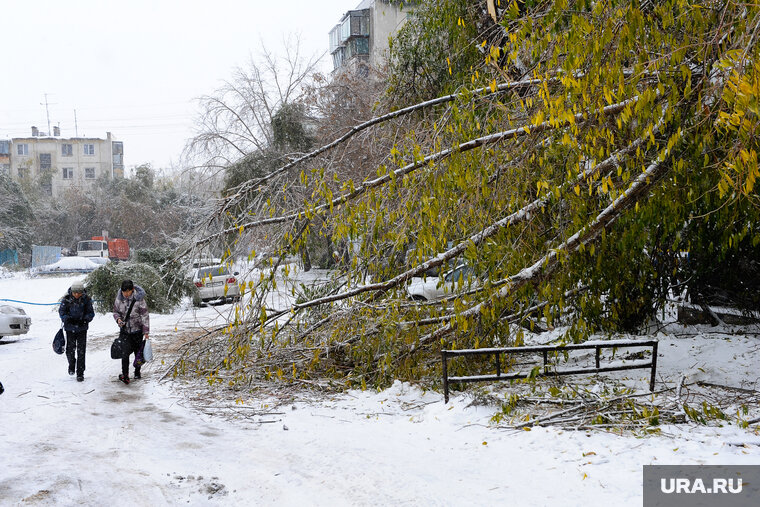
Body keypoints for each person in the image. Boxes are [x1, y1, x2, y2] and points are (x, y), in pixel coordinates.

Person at [112, 279, 150, 385]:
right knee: (124, 353)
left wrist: (146, 332)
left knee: (138, 353)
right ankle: (125, 374)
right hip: (124, 331)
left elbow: (145, 315)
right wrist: (118, 320)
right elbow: (115, 312)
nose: (126, 294)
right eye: (124, 292)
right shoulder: (119, 299)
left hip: (137, 330)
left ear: (132, 290)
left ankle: (137, 372)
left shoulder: (139, 299)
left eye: (128, 292)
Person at [58, 281, 95, 382]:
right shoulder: (66, 299)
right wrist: (67, 319)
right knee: (69, 350)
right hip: (70, 329)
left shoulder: (87, 299)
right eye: (75, 293)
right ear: (72, 292)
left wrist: (85, 319)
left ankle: (80, 373)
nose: (77, 295)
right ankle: (72, 363)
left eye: (79, 293)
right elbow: (61, 312)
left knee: (81, 351)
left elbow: (91, 313)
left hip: (82, 329)